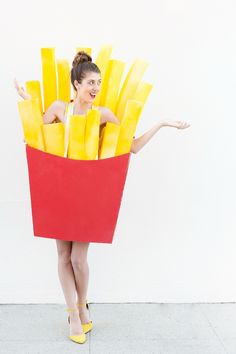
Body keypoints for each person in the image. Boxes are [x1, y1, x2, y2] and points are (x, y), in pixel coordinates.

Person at [14, 51, 191, 344]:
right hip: (59, 189)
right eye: (90, 83)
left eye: (99, 82)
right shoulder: (59, 108)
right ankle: (73, 314)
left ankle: (82, 305)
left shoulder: (104, 115)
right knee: (63, 256)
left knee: (78, 259)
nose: (95, 88)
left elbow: (131, 147)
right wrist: (26, 102)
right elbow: (35, 139)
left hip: (87, 192)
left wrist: (161, 124)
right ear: (76, 84)